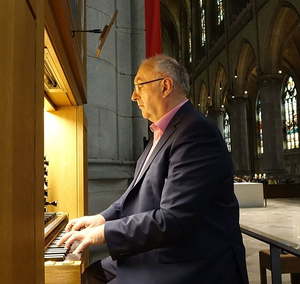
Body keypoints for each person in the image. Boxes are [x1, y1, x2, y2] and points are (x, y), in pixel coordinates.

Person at [58, 55, 249, 284]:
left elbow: (173, 219)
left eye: (139, 85)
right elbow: (133, 196)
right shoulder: (163, 132)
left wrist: (104, 233)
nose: (133, 96)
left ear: (165, 86)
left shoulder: (196, 133)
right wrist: (100, 219)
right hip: (162, 252)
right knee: (88, 275)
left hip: (190, 262)